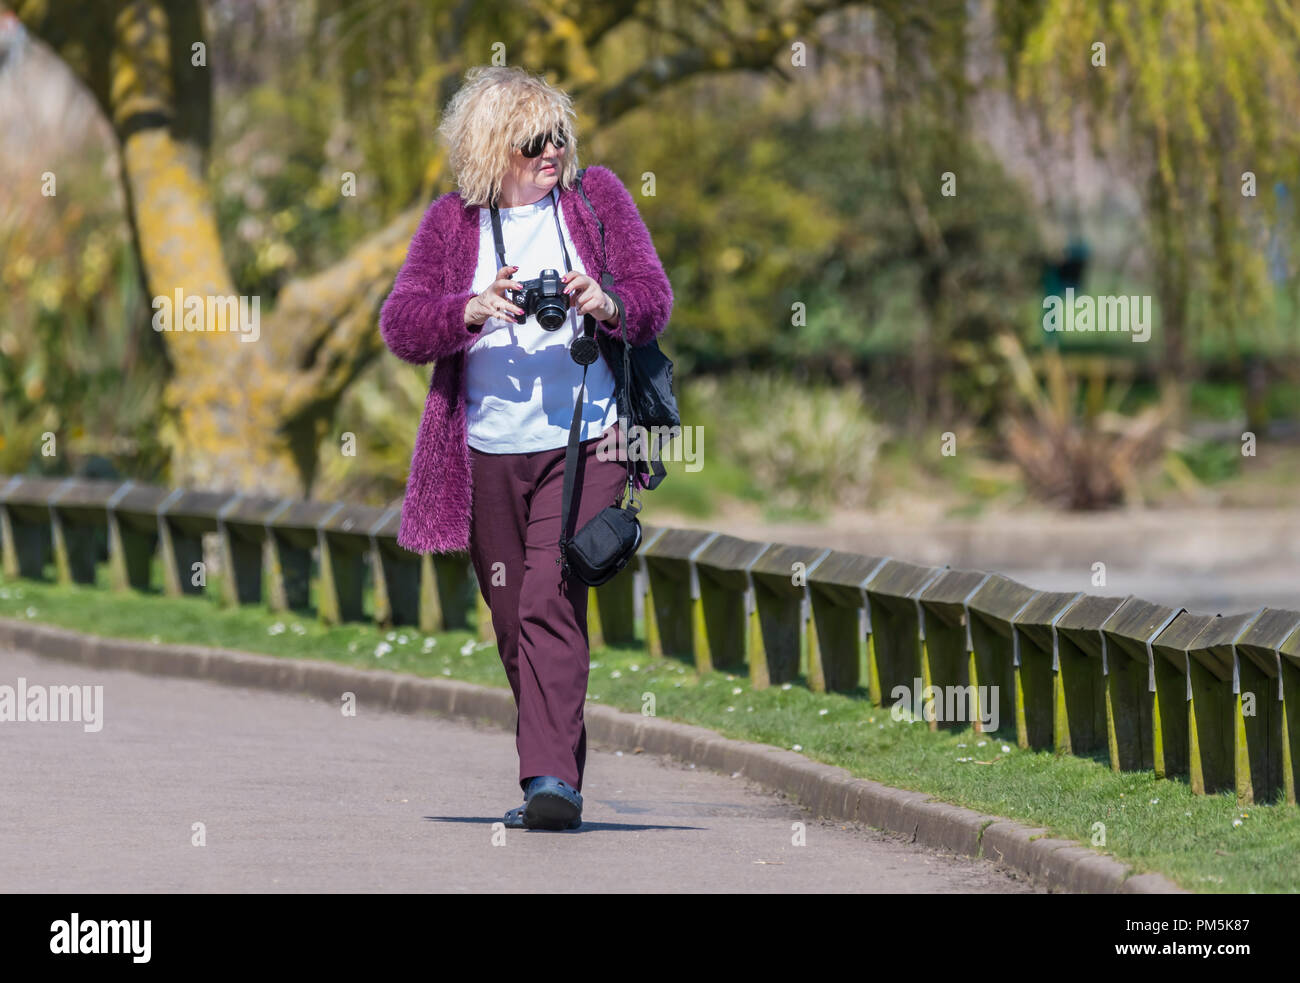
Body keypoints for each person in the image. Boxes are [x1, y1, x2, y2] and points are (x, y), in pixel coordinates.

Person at [378, 65, 673, 830]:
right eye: (534, 141)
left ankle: (549, 781)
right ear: (492, 149)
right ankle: (556, 766)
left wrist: (607, 301)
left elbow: (653, 298)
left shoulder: (596, 200)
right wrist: (469, 309)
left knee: (550, 595)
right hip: (485, 452)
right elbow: (402, 323)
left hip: (589, 437)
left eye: (559, 136)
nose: (553, 152)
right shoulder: (453, 224)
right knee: (515, 619)